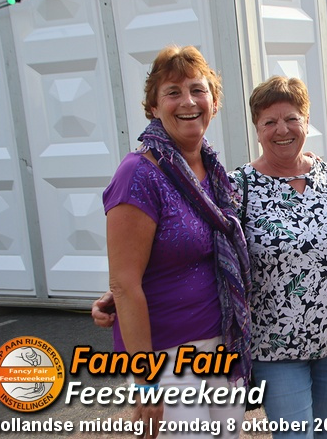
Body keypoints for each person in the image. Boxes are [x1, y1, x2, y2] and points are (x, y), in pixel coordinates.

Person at [100, 45, 253, 438]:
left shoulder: (213, 172)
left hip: (221, 343)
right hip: (166, 354)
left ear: (214, 102)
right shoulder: (138, 175)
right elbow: (125, 283)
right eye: (172, 92)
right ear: (154, 107)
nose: (188, 102)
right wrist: (146, 385)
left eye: (198, 90)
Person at [229, 75, 327, 438]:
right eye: (270, 121)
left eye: (292, 118)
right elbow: (209, 251)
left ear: (306, 122)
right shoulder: (239, 187)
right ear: (257, 129)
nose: (282, 129)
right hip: (276, 349)